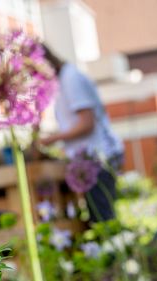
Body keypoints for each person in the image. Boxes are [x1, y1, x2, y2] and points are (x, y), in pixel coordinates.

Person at [39, 45, 124, 222]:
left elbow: (87, 124)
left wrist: (51, 139)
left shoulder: (71, 79)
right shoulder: (65, 80)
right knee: (99, 216)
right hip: (92, 158)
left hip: (99, 157)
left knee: (102, 217)